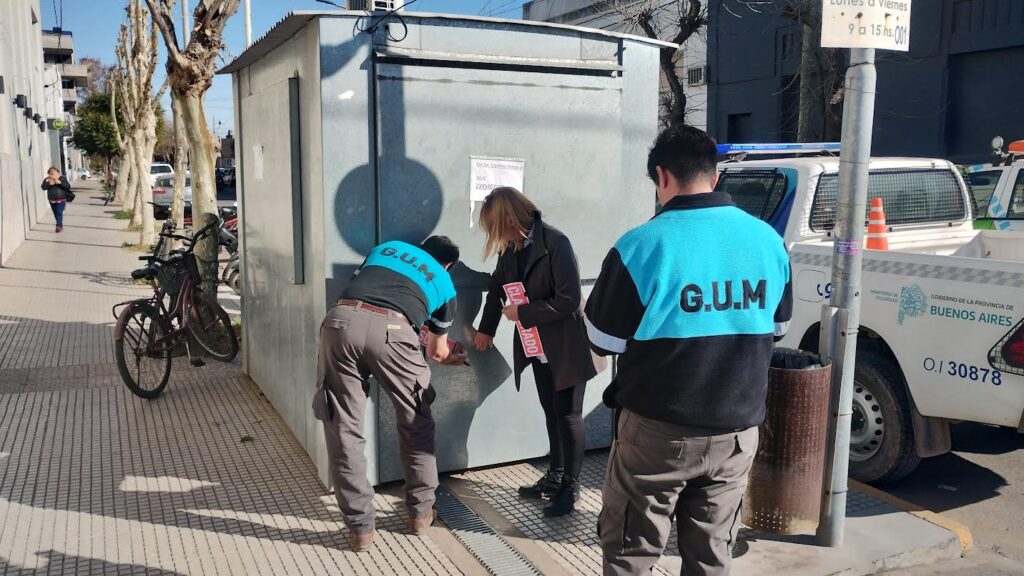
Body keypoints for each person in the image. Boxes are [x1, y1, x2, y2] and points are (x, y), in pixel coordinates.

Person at [585, 126, 793, 576]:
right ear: (714, 175)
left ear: (661, 176)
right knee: (712, 552)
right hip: (738, 432)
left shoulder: (640, 245)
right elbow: (777, 328)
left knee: (630, 550)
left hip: (658, 434)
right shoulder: (768, 242)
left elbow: (603, 341)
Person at [312, 235, 468, 552]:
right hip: (394, 332)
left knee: (343, 427)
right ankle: (421, 515)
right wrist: (455, 357)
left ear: (422, 249)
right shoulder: (444, 283)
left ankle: (360, 530)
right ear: (448, 265)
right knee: (416, 422)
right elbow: (437, 352)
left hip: (340, 322)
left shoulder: (387, 249)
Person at [472, 187, 600, 517]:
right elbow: (496, 290)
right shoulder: (512, 249)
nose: (492, 232)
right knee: (551, 412)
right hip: (537, 346)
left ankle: (570, 488)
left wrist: (524, 314)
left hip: (566, 344)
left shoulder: (556, 243)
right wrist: (486, 329)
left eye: (493, 224)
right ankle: (555, 475)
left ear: (508, 217)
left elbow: (569, 299)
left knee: (569, 415)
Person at [40, 167, 71, 233]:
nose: (52, 172)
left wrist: (60, 183)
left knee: (59, 212)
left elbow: (68, 186)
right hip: (52, 200)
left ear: (57, 171)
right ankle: (60, 226)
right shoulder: (47, 179)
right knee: (56, 214)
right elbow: (43, 187)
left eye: (54, 170)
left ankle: (58, 226)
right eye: (50, 171)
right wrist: (49, 184)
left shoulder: (62, 178)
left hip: (61, 199)